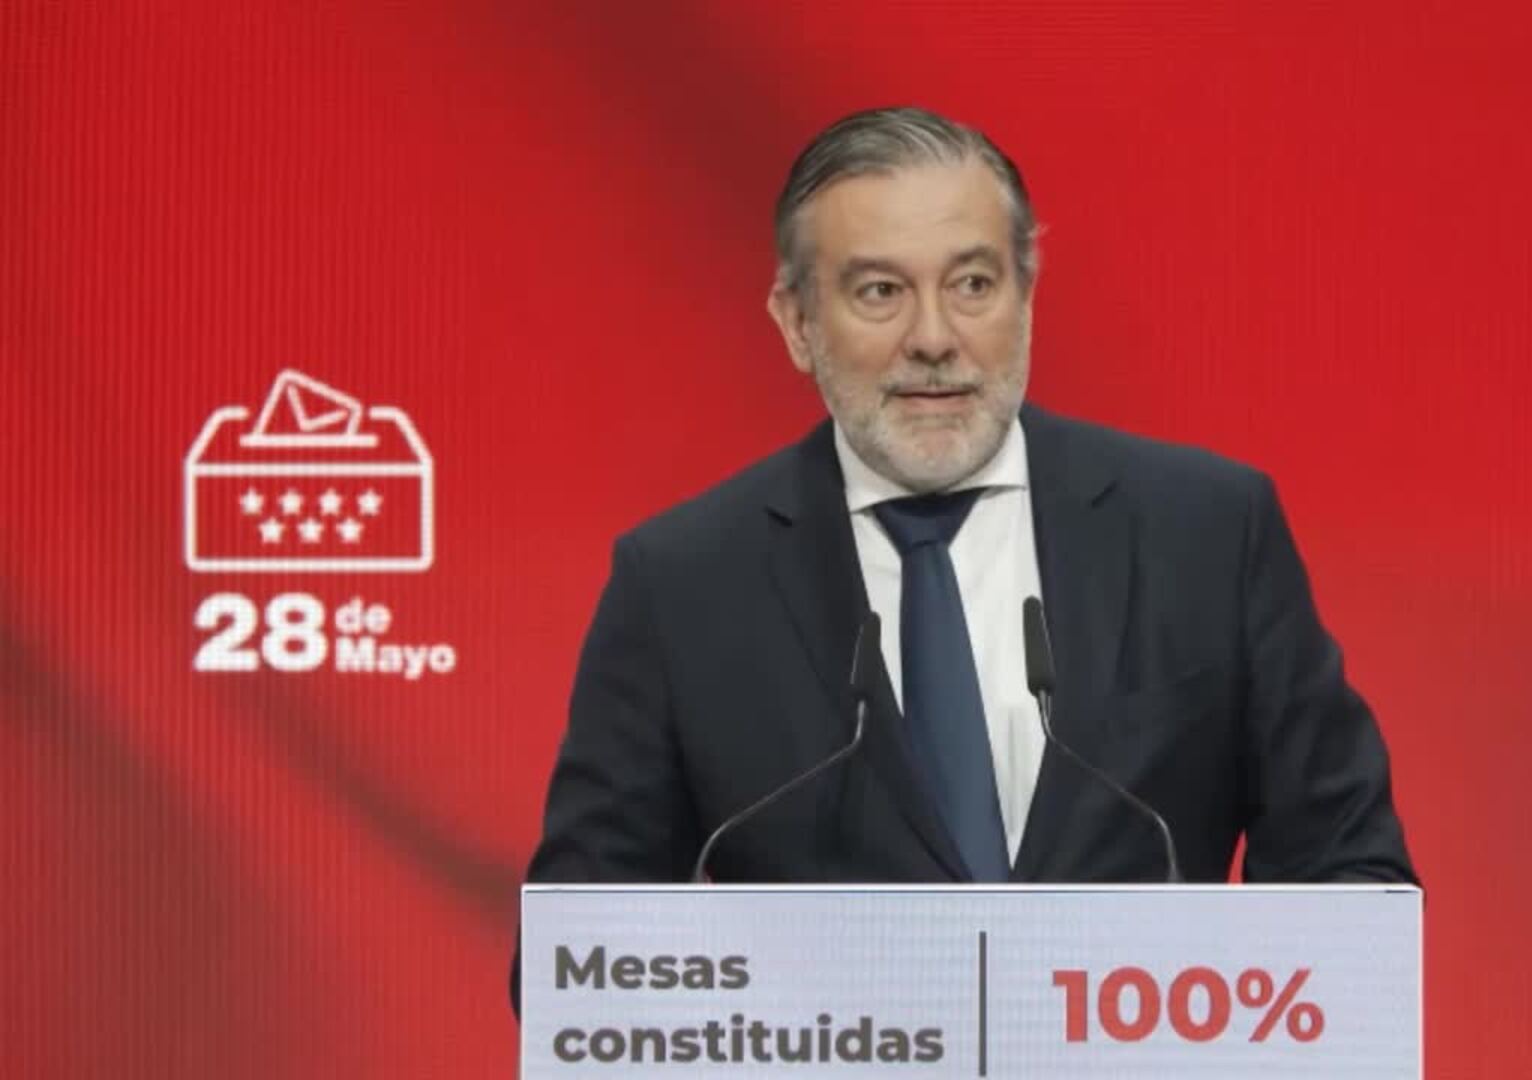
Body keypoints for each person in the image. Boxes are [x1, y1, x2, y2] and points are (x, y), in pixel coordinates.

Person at [514, 106, 1416, 1005]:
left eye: (973, 284)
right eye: (880, 291)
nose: (936, 338)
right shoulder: (683, 585)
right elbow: (577, 970)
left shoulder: (1206, 531)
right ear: (797, 323)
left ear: (1027, 297)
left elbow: (1351, 880)